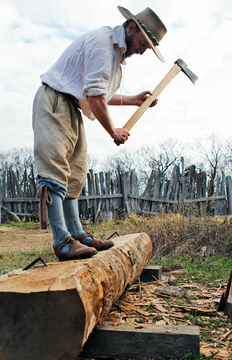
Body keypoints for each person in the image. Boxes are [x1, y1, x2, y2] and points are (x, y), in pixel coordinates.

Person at [33, 6, 167, 261]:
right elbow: (95, 96)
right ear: (131, 27)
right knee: (54, 171)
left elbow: (99, 93)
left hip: (71, 106)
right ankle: (62, 242)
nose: (143, 50)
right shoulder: (103, 45)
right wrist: (113, 131)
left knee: (74, 175)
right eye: (143, 43)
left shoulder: (116, 53)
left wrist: (133, 100)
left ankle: (78, 235)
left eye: (148, 47)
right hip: (54, 100)